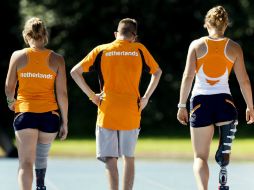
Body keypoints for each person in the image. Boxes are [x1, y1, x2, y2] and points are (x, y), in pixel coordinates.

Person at [71, 18, 162, 190]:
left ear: (115, 34)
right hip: (131, 109)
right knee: (129, 156)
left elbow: (75, 72)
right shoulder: (139, 49)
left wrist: (93, 96)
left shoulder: (102, 50)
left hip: (107, 110)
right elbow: (157, 72)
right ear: (134, 36)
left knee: (110, 158)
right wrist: (146, 97)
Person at [177, 5, 254, 190]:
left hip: (200, 103)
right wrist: (250, 106)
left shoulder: (196, 45)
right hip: (225, 103)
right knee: (222, 149)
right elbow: (244, 81)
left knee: (200, 157)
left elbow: (188, 76)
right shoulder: (234, 48)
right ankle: (223, 164)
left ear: (206, 23)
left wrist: (181, 105)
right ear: (226, 24)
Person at [5, 17, 68, 190]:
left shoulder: (17, 56)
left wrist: (11, 102)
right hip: (50, 117)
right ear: (45, 35)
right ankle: (40, 185)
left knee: (25, 164)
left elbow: (9, 87)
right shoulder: (57, 59)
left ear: (26, 35)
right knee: (41, 158)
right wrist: (65, 122)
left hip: (25, 115)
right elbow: (62, 94)